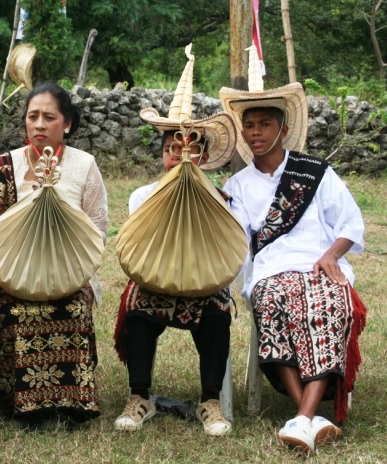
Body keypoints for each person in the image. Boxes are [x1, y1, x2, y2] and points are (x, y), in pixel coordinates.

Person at [221, 45, 366, 453]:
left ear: (282, 129)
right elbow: (233, 238)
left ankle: (301, 416)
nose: (255, 132)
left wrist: (331, 256)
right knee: (271, 304)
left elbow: (351, 223)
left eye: (264, 124)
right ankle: (310, 415)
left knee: (325, 306)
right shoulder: (238, 187)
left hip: (320, 264)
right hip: (270, 269)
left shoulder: (315, 172)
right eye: (248, 125)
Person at [114, 45, 238, 435]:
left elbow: (228, 248)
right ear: (163, 155)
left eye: (188, 150)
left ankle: (211, 401)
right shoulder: (143, 197)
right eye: (171, 149)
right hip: (156, 278)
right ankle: (140, 397)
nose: (178, 158)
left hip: (205, 280)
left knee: (217, 310)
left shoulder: (223, 199)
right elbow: (136, 249)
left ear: (202, 157)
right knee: (137, 304)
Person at [0, 82, 108, 425]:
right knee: (17, 308)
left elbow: (97, 228)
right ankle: (24, 405)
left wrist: (72, 263)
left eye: (49, 117)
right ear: (25, 124)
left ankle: (72, 402)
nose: (40, 125)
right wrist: (7, 265)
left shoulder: (84, 165)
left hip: (70, 269)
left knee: (73, 305)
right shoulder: (3, 167)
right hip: (8, 270)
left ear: (67, 124)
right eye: (33, 117)